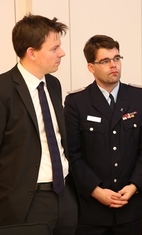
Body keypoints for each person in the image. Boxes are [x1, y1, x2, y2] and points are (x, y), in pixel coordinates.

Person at [64, 34, 142, 235]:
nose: (113, 65)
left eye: (116, 58)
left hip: (129, 207)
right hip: (90, 210)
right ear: (91, 67)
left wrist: (134, 186)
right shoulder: (76, 103)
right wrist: (96, 191)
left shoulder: (138, 97)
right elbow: (72, 155)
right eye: (105, 61)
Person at [0, 14, 77, 234]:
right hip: (24, 203)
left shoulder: (53, 84)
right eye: (54, 48)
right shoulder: (3, 89)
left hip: (64, 197)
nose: (61, 53)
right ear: (32, 52)